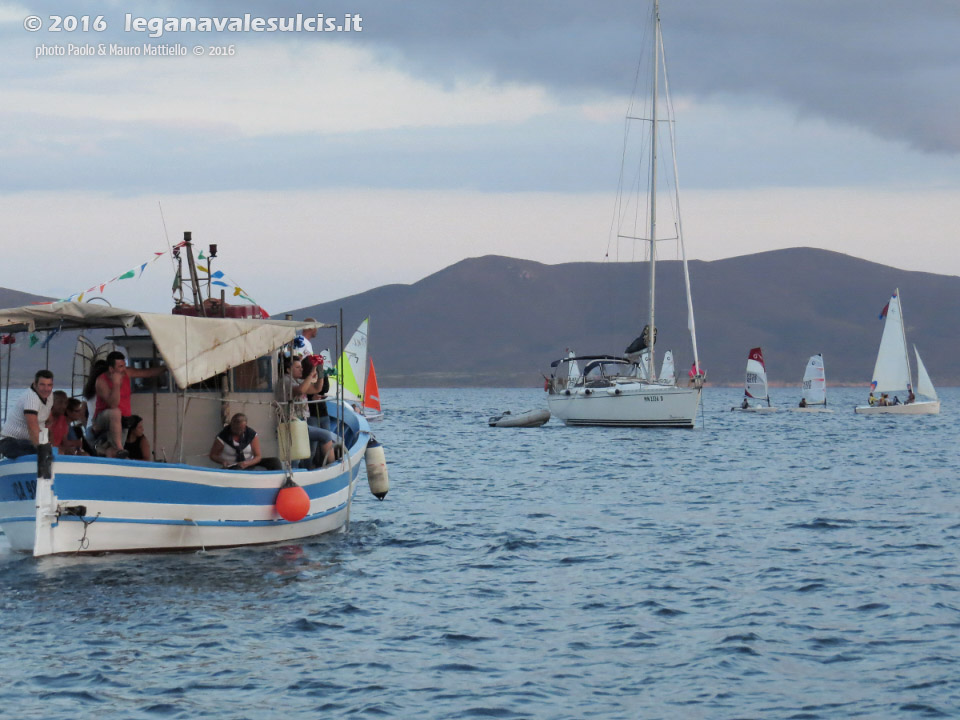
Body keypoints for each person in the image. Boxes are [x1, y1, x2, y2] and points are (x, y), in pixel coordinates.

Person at [92, 351, 166, 458]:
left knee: (116, 454)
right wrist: (116, 384)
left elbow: (147, 373)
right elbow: (113, 404)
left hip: (123, 420)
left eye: (124, 365)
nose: (124, 369)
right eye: (120, 366)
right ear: (111, 369)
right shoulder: (101, 381)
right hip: (104, 418)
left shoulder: (127, 373)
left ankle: (109, 452)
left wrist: (166, 368)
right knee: (115, 412)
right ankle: (119, 448)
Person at [277, 357, 335, 468]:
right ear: (288, 370)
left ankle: (327, 466)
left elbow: (317, 388)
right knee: (324, 436)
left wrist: (319, 370)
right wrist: (310, 375)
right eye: (297, 367)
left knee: (300, 454)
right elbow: (300, 390)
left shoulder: (296, 381)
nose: (301, 370)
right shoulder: (286, 381)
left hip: (301, 423)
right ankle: (332, 466)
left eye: (301, 367)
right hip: (291, 423)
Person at [0, 370, 54, 459]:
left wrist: (46, 441)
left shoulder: (49, 395)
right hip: (10, 441)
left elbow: (48, 420)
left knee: (51, 452)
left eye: (49, 385)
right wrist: (41, 449)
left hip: (28, 442)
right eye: (42, 385)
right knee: (39, 454)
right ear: (35, 384)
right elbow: (32, 426)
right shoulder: (31, 397)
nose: (46, 389)